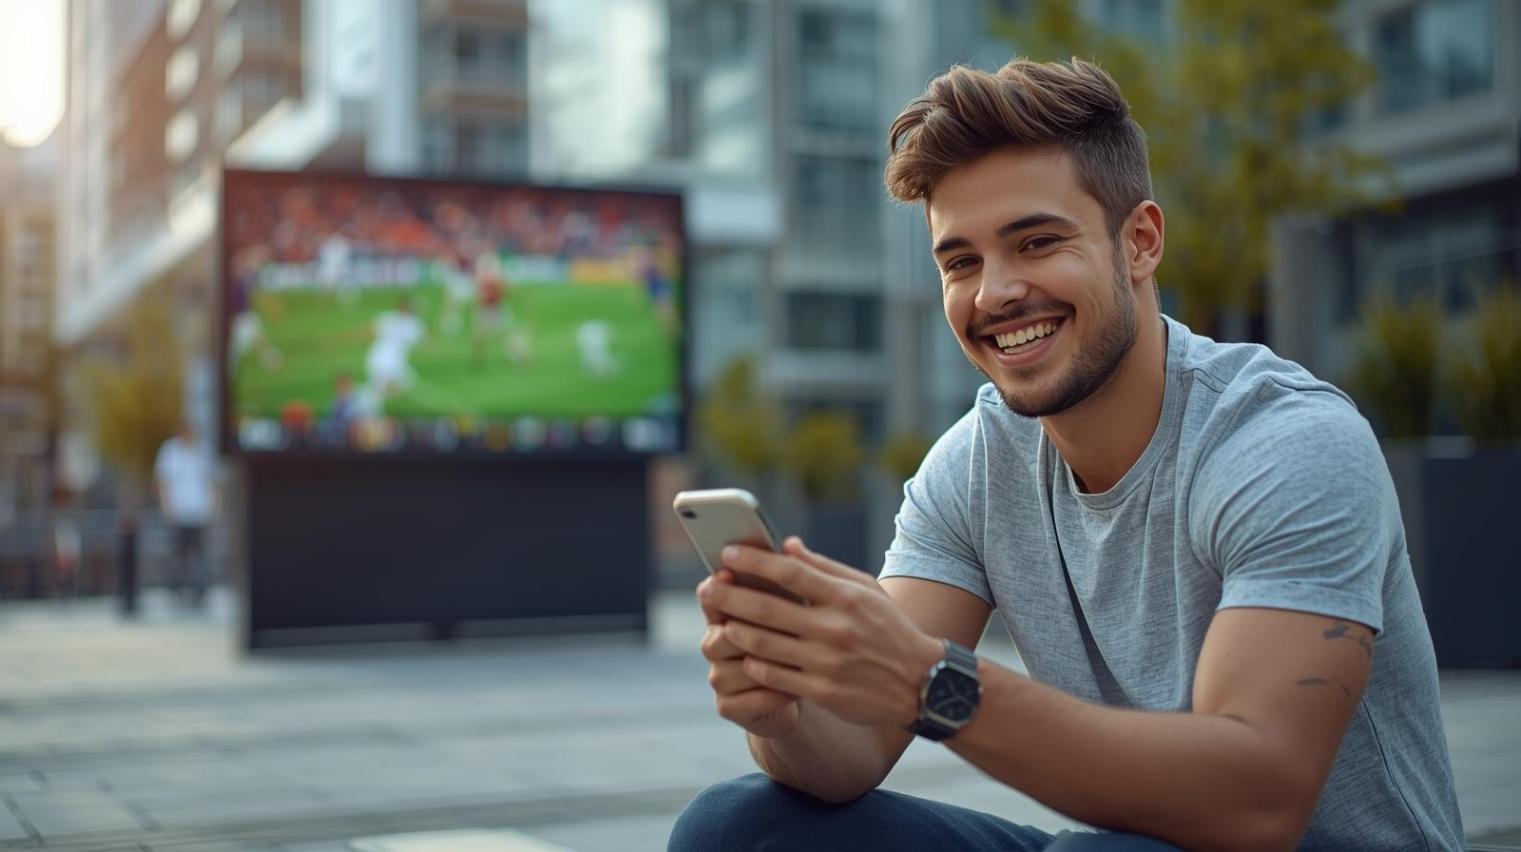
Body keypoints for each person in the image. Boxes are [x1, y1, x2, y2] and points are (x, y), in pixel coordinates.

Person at [670, 59, 1463, 851]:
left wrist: (930, 682)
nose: (993, 294)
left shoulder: (1285, 443)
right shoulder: (975, 464)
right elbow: (849, 755)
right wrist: (781, 711)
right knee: (737, 826)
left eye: (1036, 242)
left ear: (1140, 243)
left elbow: (1255, 799)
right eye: (961, 261)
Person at [154, 421, 216, 608]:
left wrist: (213, 507)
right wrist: (166, 508)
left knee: (200, 555)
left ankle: (200, 592)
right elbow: (162, 482)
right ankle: (176, 591)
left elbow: (212, 481)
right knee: (178, 554)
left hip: (199, 512)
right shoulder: (169, 452)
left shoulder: (203, 451)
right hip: (178, 512)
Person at [365, 295, 425, 404]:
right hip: (391, 362)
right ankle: (369, 403)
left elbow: (371, 331)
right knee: (405, 382)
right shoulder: (412, 324)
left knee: (382, 389)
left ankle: (375, 400)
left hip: (376, 358)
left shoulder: (387, 317)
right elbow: (421, 345)